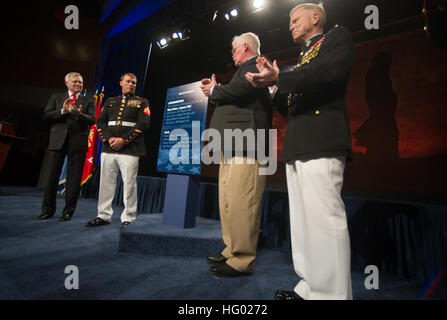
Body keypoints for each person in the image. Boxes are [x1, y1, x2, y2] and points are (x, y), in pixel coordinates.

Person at [245, 3, 354, 299]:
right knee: (304, 225)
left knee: (325, 222)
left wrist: (279, 78)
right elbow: (290, 106)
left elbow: (329, 74)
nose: (290, 25)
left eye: (295, 19)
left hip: (322, 139)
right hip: (300, 143)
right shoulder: (303, 57)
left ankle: (332, 295)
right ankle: (311, 286)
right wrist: (271, 88)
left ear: (315, 17)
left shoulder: (336, 37)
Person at [200, 32, 272, 277]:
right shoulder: (242, 71)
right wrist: (217, 90)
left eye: (233, 49)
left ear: (244, 47)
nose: (232, 55)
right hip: (232, 144)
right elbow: (232, 94)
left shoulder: (257, 66)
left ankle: (243, 259)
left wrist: (214, 90)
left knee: (243, 203)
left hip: (248, 145)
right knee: (229, 202)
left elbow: (238, 89)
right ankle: (232, 248)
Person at [85, 73, 151, 230]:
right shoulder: (110, 101)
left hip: (130, 149)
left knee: (129, 184)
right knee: (106, 184)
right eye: (128, 81)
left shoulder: (142, 102)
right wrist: (108, 139)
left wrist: (124, 140)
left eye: (134, 83)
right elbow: (100, 122)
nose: (131, 84)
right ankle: (103, 215)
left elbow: (143, 124)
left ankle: (129, 217)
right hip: (109, 148)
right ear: (121, 83)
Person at [39, 72, 95, 222]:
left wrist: (78, 114)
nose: (78, 85)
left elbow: (92, 119)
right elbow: (46, 115)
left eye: (80, 82)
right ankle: (47, 210)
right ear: (67, 83)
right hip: (58, 141)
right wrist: (63, 111)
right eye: (75, 82)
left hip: (78, 142)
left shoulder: (88, 100)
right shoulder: (56, 97)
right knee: (52, 177)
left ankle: (68, 212)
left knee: (74, 179)